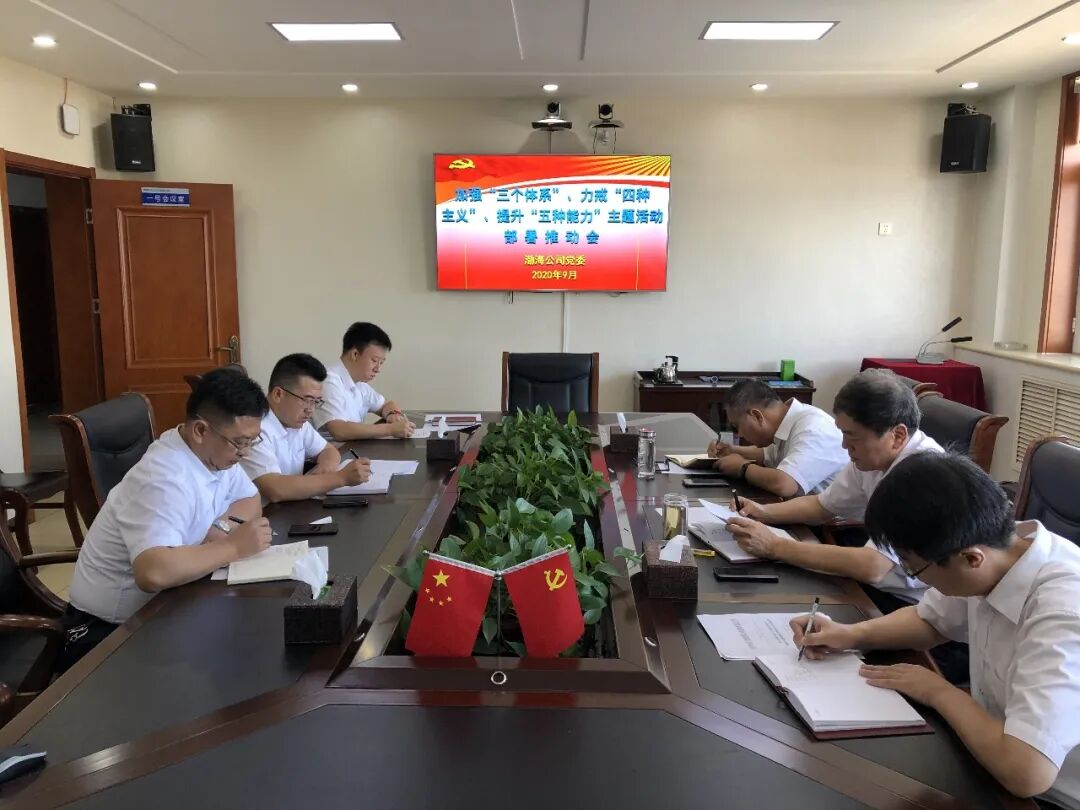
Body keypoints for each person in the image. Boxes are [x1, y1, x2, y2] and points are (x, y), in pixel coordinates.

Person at [791, 452, 1080, 806]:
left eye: (914, 569)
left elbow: (1026, 772)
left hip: (1051, 795)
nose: (918, 581)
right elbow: (929, 620)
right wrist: (848, 634)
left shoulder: (1063, 612)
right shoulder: (995, 548)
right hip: (988, 749)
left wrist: (938, 691)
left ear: (971, 559)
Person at [61, 369, 274, 670]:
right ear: (201, 430)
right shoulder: (162, 478)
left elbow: (249, 499)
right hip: (108, 633)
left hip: (171, 604)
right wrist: (233, 547)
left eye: (252, 441)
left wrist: (220, 528)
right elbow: (153, 572)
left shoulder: (211, 453)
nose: (246, 452)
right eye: (240, 443)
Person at [726, 369, 943, 604]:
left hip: (910, 602)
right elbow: (822, 506)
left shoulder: (921, 474)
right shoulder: (872, 458)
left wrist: (775, 546)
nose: (843, 445)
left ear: (897, 435)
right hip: (877, 584)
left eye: (852, 435)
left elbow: (873, 566)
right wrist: (762, 511)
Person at [241, 353, 372, 502]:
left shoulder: (296, 421)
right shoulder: (254, 428)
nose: (310, 410)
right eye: (306, 400)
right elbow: (275, 489)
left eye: (316, 401)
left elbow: (329, 451)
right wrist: (340, 478)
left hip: (292, 506)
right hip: (266, 512)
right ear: (278, 394)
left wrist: (322, 472)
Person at [705, 379, 848, 497]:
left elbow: (785, 485)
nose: (740, 434)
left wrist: (743, 467)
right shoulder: (788, 421)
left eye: (737, 426)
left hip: (832, 521)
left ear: (757, 416)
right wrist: (732, 450)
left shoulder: (813, 428)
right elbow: (768, 454)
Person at [313, 322, 415, 440]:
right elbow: (339, 430)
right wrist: (390, 429)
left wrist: (393, 414)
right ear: (355, 354)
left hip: (351, 449)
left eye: (381, 363)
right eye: (374, 360)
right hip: (331, 450)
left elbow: (387, 404)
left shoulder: (359, 384)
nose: (378, 369)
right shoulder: (328, 380)